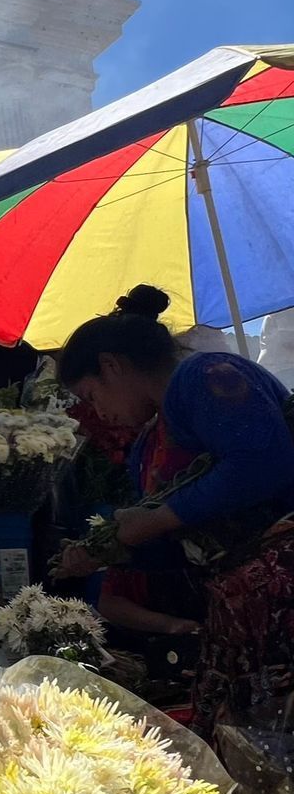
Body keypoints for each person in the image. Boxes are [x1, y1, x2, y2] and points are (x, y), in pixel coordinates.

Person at [55, 284, 294, 738]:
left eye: (91, 396)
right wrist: (111, 551)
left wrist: (153, 520)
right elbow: (190, 541)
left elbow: (264, 464)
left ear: (112, 366)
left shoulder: (205, 375)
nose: (97, 412)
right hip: (240, 613)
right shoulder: (149, 440)